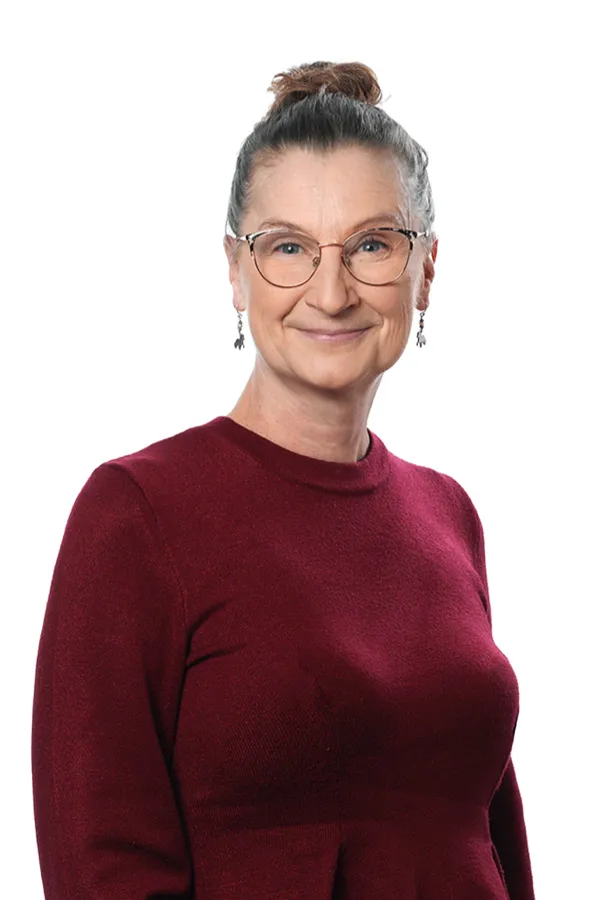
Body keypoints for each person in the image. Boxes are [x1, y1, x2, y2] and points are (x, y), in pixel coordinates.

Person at [31, 60, 536, 899]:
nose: (330, 292)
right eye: (288, 247)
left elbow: (490, 837)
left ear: (427, 270)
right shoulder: (136, 513)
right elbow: (100, 866)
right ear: (235, 270)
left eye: (372, 244)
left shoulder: (448, 513)